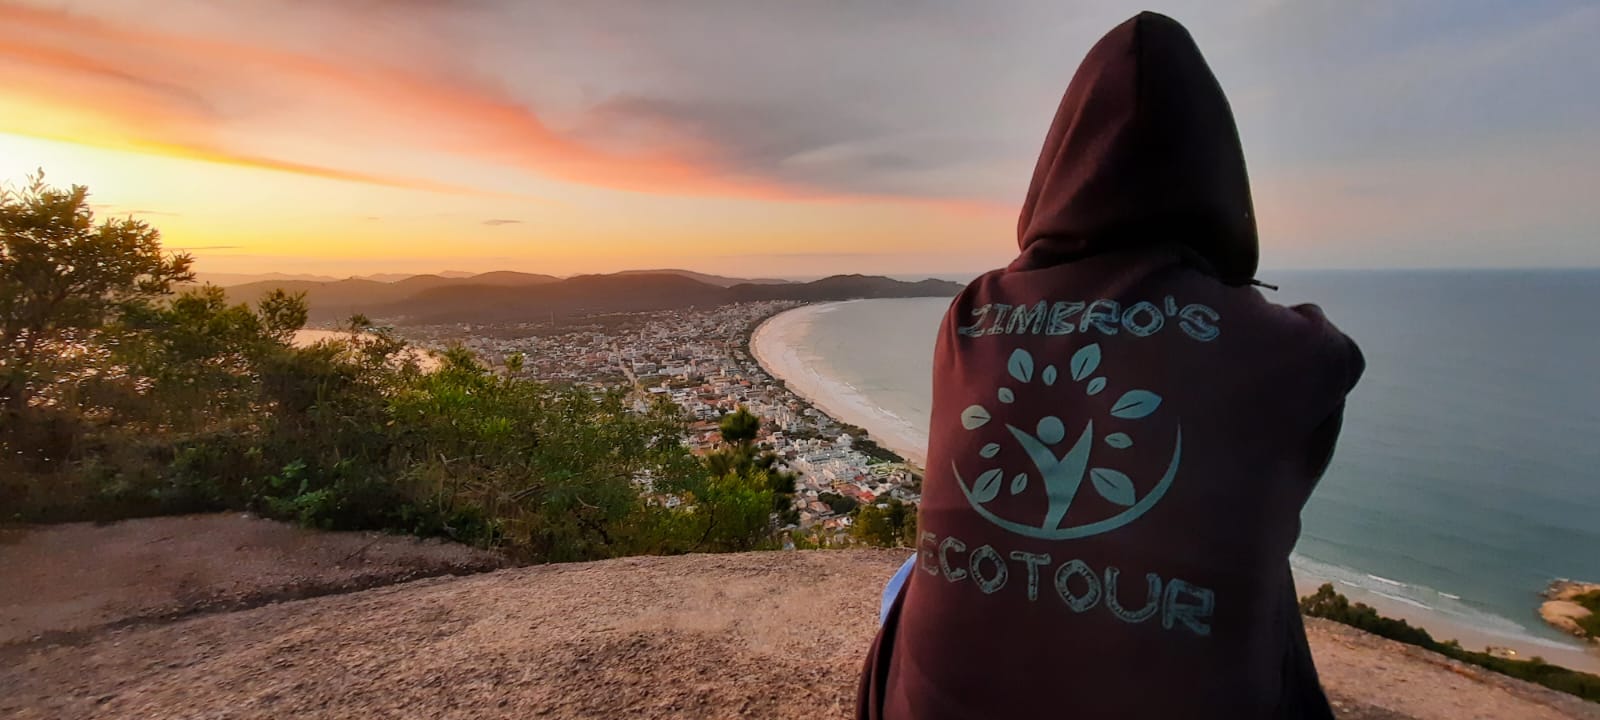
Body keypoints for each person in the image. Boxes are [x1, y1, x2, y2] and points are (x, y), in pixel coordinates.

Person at [856, 11, 1364, 719]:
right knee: (1260, 577)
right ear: (1220, 176)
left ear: (1056, 170)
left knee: (910, 577)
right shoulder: (1298, 351)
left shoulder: (972, 312)